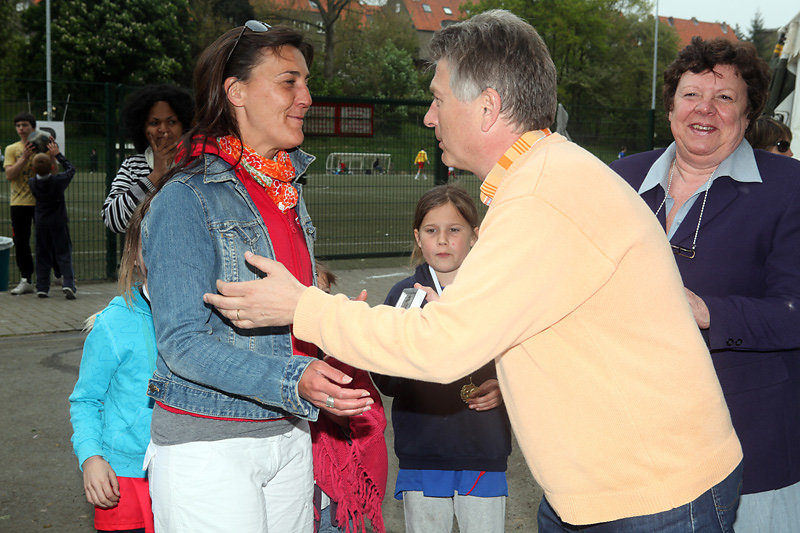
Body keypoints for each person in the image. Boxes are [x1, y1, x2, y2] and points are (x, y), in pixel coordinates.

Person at [204, 10, 743, 532]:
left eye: (438, 99)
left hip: (652, 498)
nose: (428, 117)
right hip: (607, 490)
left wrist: (304, 307)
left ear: (487, 108)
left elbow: (442, 347)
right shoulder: (544, 177)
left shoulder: (540, 196)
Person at [140, 21, 373, 532]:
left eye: (306, 82)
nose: (306, 97)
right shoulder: (186, 198)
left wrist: (333, 325)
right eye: (289, 82)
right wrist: (294, 379)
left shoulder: (284, 190)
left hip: (288, 431)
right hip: (210, 444)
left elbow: (285, 319)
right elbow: (181, 344)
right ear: (237, 91)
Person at [610, 37, 800, 533]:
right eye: (691, 94)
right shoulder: (618, 180)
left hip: (748, 444)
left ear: (748, 113)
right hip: (631, 444)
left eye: (725, 98)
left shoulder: (789, 187)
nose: (705, 109)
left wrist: (709, 313)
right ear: (671, 105)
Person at [372, 184, 511, 533]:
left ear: (475, 236)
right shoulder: (403, 297)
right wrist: (414, 342)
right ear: (418, 238)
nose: (443, 240)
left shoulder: (496, 295)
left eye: (454, 230)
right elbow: (386, 381)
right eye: (432, 231)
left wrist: (505, 386)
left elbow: (523, 359)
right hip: (423, 450)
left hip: (482, 448)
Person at [69, 205, 156, 533]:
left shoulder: (206, 315)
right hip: (125, 477)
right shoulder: (113, 323)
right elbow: (86, 400)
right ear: (134, 254)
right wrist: (92, 457)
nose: (164, 253)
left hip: (186, 470)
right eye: (151, 243)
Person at [313, 262, 387, 533]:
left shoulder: (343, 355)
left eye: (324, 294)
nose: (317, 302)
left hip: (333, 501)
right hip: (290, 493)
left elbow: (368, 420)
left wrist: (322, 399)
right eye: (309, 293)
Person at [101, 84, 193, 233]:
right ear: (142, 129)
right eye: (154, 123)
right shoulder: (133, 166)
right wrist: (155, 176)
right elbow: (113, 221)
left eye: (171, 122)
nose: (163, 130)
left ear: (184, 126)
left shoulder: (198, 164)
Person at [27, 141, 77, 299]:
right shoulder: (58, 181)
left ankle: (42, 286)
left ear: (33, 169)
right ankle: (68, 283)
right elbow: (71, 169)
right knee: (63, 253)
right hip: (58, 222)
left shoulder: (32, 183)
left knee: (42, 254)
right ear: (53, 167)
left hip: (41, 222)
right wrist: (58, 155)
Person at [4, 111, 38, 295]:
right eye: (18, 125)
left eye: (25, 125)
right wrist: (24, 157)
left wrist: (50, 156)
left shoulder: (41, 146)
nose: (21, 129)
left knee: (46, 240)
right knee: (21, 241)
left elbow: (53, 172)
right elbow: (10, 174)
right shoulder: (12, 149)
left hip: (40, 202)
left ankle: (53, 276)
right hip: (19, 202)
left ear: (33, 127)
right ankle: (26, 279)